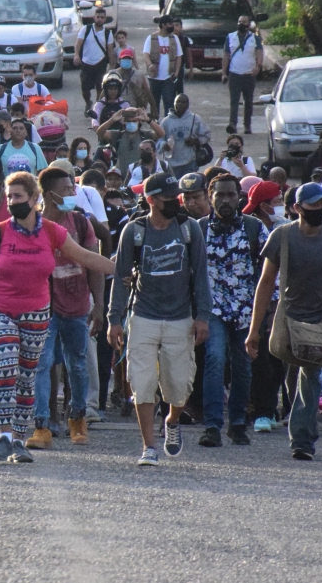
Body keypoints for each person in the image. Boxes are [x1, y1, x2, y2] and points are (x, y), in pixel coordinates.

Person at [0, 171, 115, 462]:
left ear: (35, 199)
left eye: (19, 197)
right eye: (10, 197)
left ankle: (20, 439)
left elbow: (85, 257)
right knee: (8, 367)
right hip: (1, 311)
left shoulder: (52, 231)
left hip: (37, 313)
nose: (12, 202)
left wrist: (120, 269)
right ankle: (4, 435)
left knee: (26, 377)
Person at [108, 173, 211, 467]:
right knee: (142, 382)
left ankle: (172, 420)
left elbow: (201, 275)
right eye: (169, 199)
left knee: (179, 386)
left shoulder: (189, 230)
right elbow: (119, 278)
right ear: (151, 200)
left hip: (180, 318)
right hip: (143, 317)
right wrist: (115, 319)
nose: (177, 203)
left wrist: (202, 316)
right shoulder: (135, 232)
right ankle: (148, 446)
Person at [248, 183, 322, 460]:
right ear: (297, 208)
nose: (319, 210)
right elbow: (265, 283)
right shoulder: (282, 237)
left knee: (310, 372)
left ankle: (302, 440)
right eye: (312, 206)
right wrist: (254, 331)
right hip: (289, 313)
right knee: (293, 371)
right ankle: (303, 424)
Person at [25, 167, 105, 449]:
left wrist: (99, 305)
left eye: (74, 188)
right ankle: (42, 426)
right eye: (68, 189)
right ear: (49, 194)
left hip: (77, 305)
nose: (73, 193)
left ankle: (78, 418)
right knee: (43, 364)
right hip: (42, 308)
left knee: (78, 365)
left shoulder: (81, 223)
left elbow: (95, 266)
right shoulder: (32, 224)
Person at [196, 174, 266, 448]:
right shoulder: (199, 229)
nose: (225, 201)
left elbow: (268, 271)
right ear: (210, 196)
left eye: (231, 195)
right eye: (220, 195)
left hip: (246, 309)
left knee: (243, 366)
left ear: (240, 197)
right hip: (212, 308)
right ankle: (212, 425)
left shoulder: (254, 228)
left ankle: (237, 423)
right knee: (214, 359)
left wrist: (267, 310)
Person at [221, 15, 263, 135]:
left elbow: (259, 53)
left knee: (248, 101)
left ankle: (247, 125)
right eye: (239, 21)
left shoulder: (254, 38)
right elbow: (226, 55)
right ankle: (232, 123)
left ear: (249, 24)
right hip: (234, 73)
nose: (241, 24)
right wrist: (224, 72)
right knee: (234, 100)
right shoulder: (230, 37)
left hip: (249, 74)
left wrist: (258, 66)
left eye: (244, 22)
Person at [73, 6, 116, 112]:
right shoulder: (86, 29)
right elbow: (78, 43)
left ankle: (97, 109)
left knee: (100, 88)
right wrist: (76, 55)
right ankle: (88, 103)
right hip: (86, 63)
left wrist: (111, 67)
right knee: (85, 89)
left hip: (100, 64)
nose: (100, 19)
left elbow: (110, 51)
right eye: (98, 17)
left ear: (105, 19)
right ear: (94, 17)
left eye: (102, 17)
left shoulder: (107, 33)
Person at [159, 94, 211, 177]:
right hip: (171, 163)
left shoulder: (196, 119)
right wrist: (164, 145)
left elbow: (207, 135)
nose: (180, 104)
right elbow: (159, 139)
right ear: (174, 104)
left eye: (183, 102)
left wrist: (196, 141)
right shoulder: (166, 121)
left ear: (187, 105)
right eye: (177, 102)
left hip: (190, 161)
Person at [142, 16, 182, 118]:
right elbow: (146, 55)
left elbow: (178, 56)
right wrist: (150, 65)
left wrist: (176, 72)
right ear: (163, 25)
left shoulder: (174, 38)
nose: (172, 26)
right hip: (154, 77)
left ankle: (167, 125)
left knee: (169, 102)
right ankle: (155, 126)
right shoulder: (151, 38)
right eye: (170, 24)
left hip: (169, 77)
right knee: (154, 103)